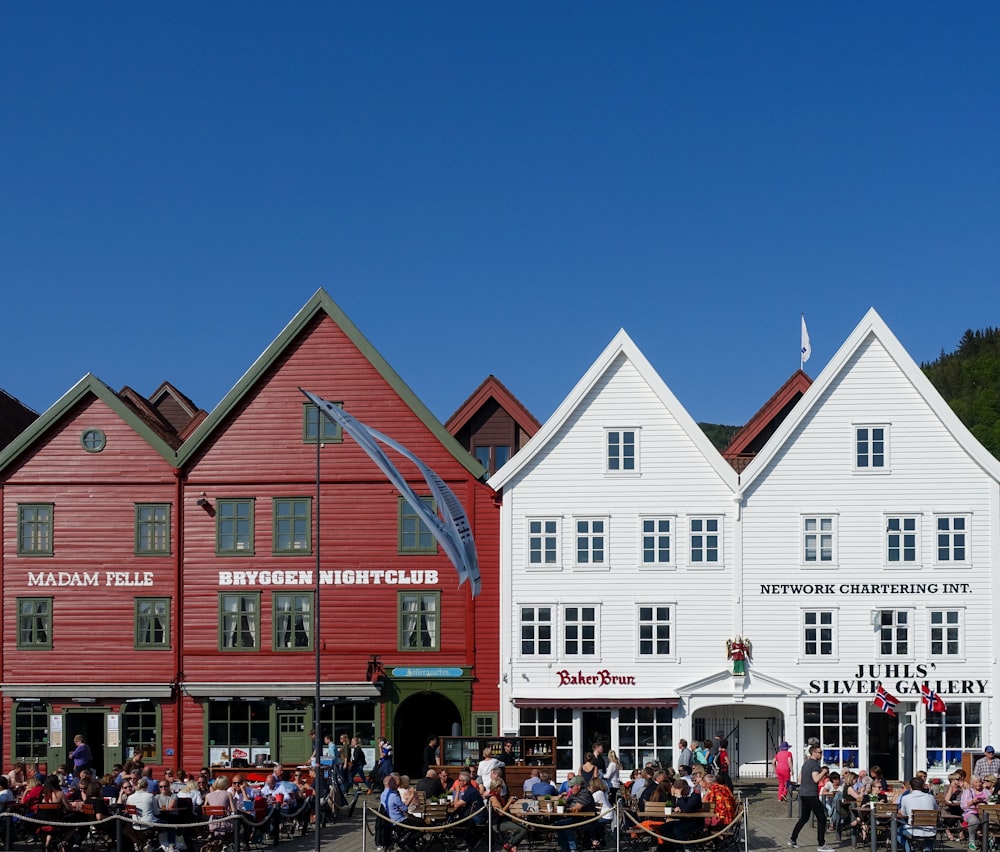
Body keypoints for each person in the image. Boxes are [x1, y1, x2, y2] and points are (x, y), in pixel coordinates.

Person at [788, 743, 833, 852]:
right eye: (820, 752)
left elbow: (799, 779)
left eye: (822, 752)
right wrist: (824, 771)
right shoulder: (814, 764)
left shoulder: (806, 764)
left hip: (803, 794)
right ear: (813, 753)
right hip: (811, 795)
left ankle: (793, 840)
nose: (821, 754)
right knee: (821, 817)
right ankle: (821, 844)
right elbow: (816, 779)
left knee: (804, 817)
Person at [656, 778, 704, 848]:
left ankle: (686, 847)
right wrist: (673, 796)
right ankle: (672, 847)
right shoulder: (684, 796)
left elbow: (686, 810)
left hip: (695, 821)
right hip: (684, 820)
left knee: (677, 829)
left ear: (686, 788)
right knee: (663, 828)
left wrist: (680, 796)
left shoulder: (694, 795)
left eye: (682, 791)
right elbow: (675, 806)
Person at [554, 776, 595, 852]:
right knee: (558, 824)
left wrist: (565, 807)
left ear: (579, 786)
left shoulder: (584, 794)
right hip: (578, 818)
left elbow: (576, 808)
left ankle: (572, 848)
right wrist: (561, 800)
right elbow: (566, 803)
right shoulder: (575, 794)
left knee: (563, 825)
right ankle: (565, 848)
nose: (570, 788)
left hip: (586, 820)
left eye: (572, 786)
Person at [897, 776, 937, 852]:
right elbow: (936, 810)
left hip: (913, 830)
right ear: (922, 786)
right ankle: (927, 849)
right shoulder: (931, 797)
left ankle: (909, 850)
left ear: (910, 787)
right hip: (930, 830)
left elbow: (903, 813)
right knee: (929, 831)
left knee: (897, 831)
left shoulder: (906, 798)